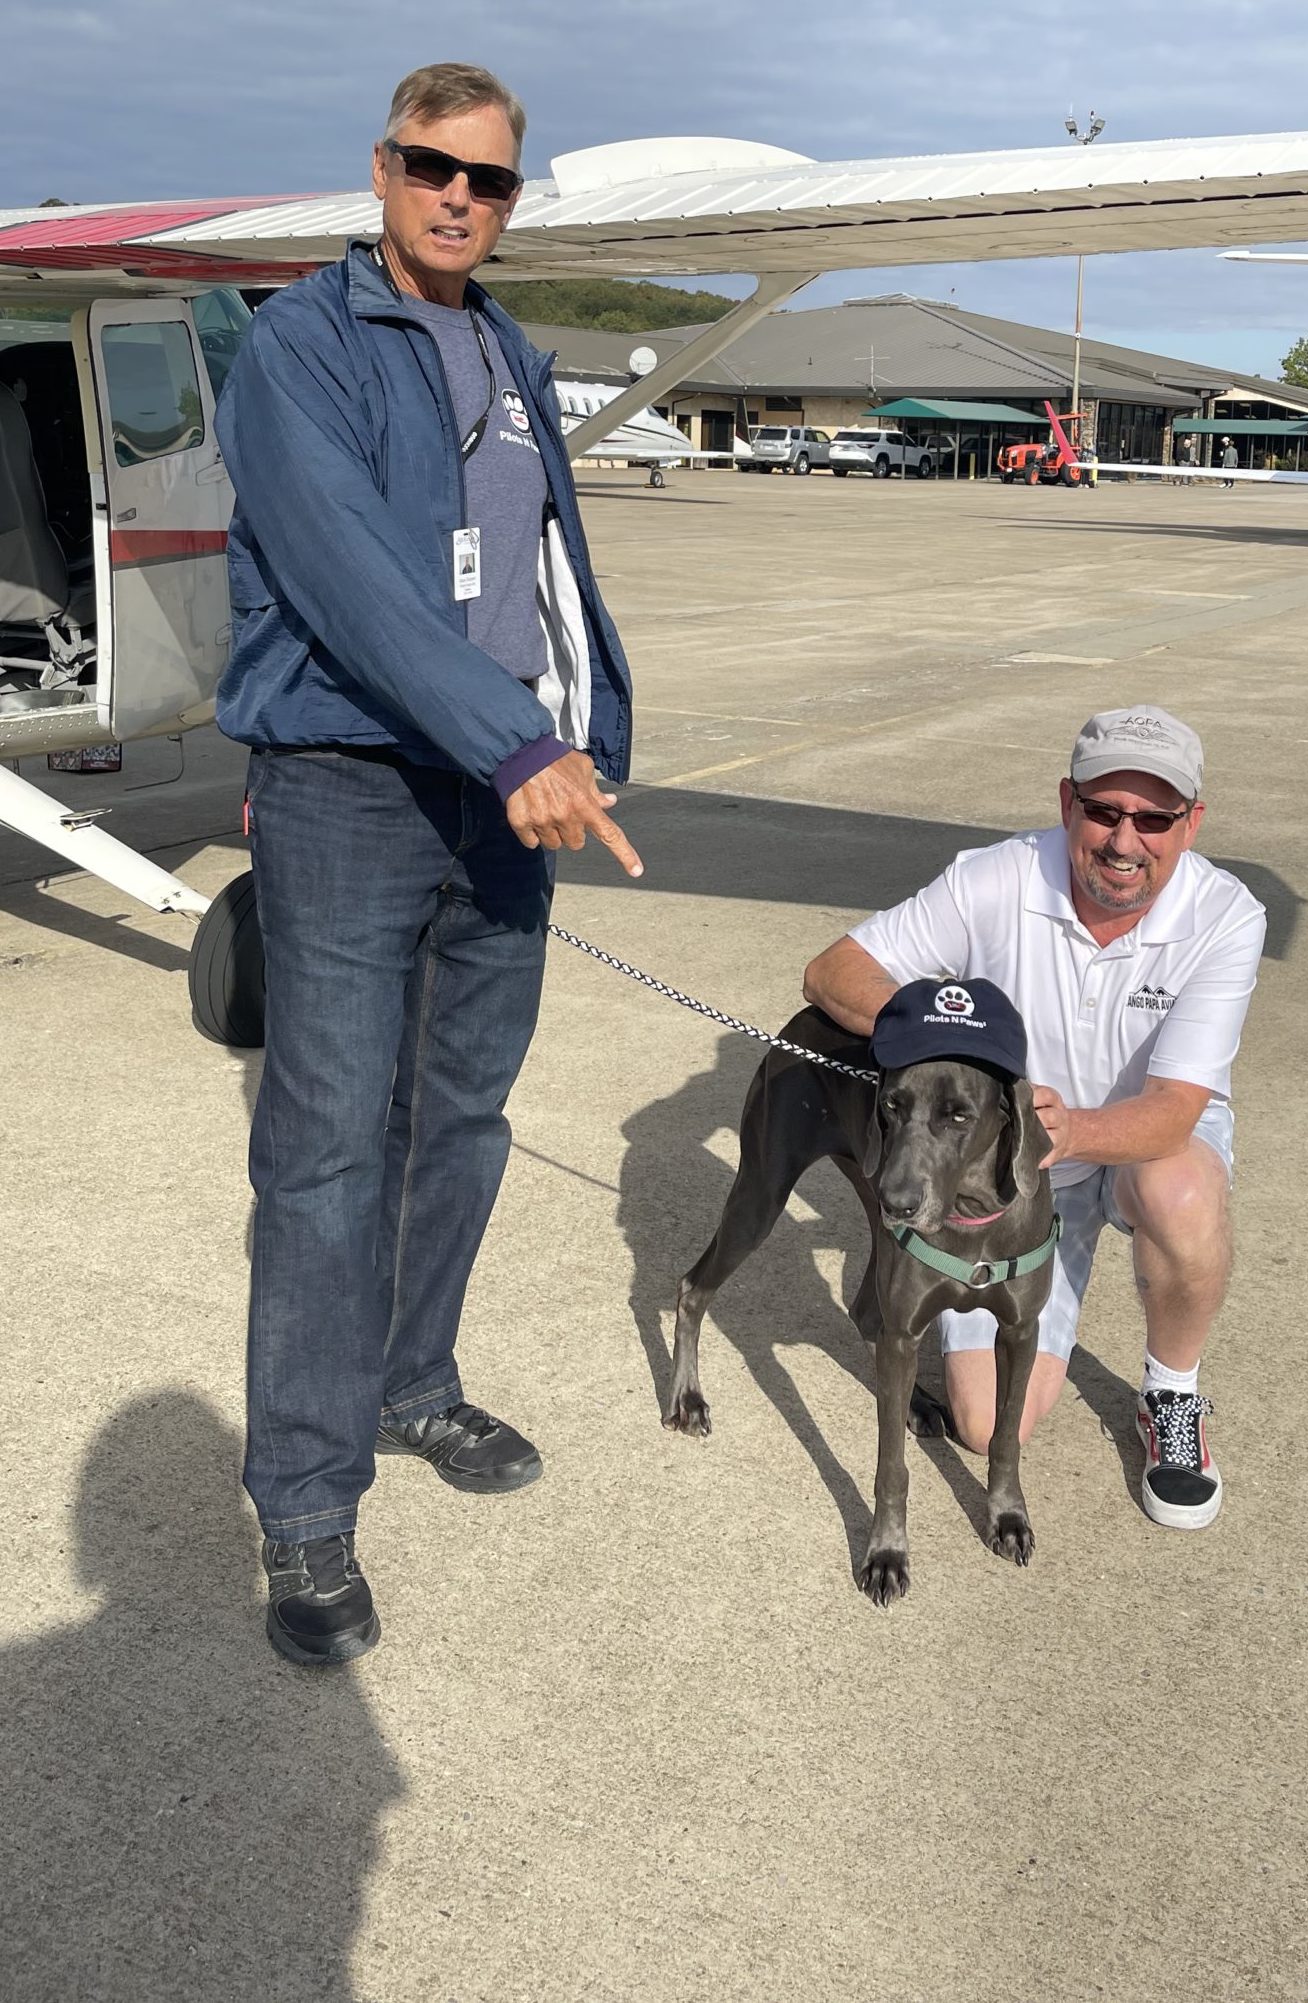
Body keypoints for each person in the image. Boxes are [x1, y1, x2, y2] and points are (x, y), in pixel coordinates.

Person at [216, 63, 641, 1666]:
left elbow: (545, 568)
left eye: (491, 180)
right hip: (347, 788)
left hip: (502, 798)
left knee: (459, 1115)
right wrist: (515, 742)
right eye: (430, 166)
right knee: (325, 1148)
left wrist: (590, 720)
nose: (459, 196)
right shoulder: (299, 349)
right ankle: (305, 1500)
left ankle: (413, 1382)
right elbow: (354, 580)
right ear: (379, 168)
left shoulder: (511, 350)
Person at [802, 707, 1265, 1531]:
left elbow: (1172, 1111)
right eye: (1104, 811)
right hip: (1011, 1172)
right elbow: (833, 973)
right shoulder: (995, 877)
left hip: (1129, 1141)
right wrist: (938, 1036)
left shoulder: (1228, 916)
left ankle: (1173, 1395)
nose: (1126, 840)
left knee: (1180, 1191)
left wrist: (1074, 1129)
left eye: (1155, 818)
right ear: (1066, 803)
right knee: (986, 1427)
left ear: (1191, 824)